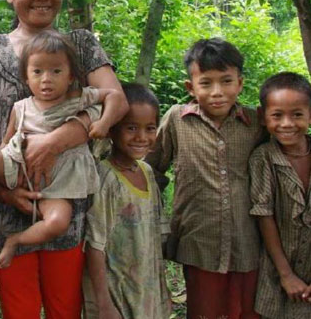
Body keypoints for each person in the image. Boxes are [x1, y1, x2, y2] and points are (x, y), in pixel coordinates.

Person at [0, 0, 127, 318]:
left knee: (66, 309)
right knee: (21, 312)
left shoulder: (79, 44)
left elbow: (115, 100)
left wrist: (57, 140)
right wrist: (2, 189)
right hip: (5, 215)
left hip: (65, 206)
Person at [0, 30, 121, 268]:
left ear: (71, 75)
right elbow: (6, 141)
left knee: (58, 222)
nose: (46, 79)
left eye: (56, 71)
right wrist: (2, 179)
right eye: (37, 72)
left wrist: (103, 123)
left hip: (55, 186)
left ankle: (15, 241)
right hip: (20, 173)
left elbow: (114, 96)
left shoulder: (78, 98)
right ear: (26, 77)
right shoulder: (20, 107)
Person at [146, 38, 261, 319]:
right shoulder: (177, 120)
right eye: (206, 83)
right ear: (191, 87)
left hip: (247, 240)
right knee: (203, 312)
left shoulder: (255, 123)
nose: (217, 92)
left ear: (240, 83)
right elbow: (150, 170)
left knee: (246, 310)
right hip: (198, 240)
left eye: (226, 81)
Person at [84, 82, 171, 318]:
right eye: (131, 128)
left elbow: (153, 239)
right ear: (112, 129)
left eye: (150, 128)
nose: (141, 137)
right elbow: (95, 245)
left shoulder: (146, 171)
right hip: (116, 296)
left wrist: (161, 292)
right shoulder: (106, 178)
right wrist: (103, 304)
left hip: (146, 292)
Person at [249, 72, 311, 318]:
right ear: (262, 117)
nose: (287, 123)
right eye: (277, 115)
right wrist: (286, 275)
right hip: (278, 271)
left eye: (297, 114)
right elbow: (264, 216)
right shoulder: (263, 158)